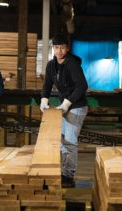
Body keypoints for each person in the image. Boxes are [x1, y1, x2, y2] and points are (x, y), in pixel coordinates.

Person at [40, 34, 88, 188]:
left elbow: (82, 86)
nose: (59, 51)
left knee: (70, 142)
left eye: (62, 47)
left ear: (67, 48)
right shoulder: (51, 65)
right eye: (56, 47)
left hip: (77, 106)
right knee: (62, 142)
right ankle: (64, 172)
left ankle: (68, 175)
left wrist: (68, 102)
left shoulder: (72, 64)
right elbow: (47, 84)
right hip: (64, 107)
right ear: (53, 48)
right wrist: (44, 99)